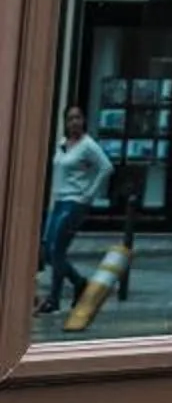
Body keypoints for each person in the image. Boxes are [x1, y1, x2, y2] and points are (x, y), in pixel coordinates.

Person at [38, 105, 112, 316]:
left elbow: (106, 167)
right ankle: (79, 282)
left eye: (78, 117)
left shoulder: (88, 145)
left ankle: (54, 299)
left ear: (84, 120)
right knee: (48, 252)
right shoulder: (63, 144)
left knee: (57, 250)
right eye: (70, 118)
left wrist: (89, 194)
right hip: (59, 201)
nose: (74, 122)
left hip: (75, 202)